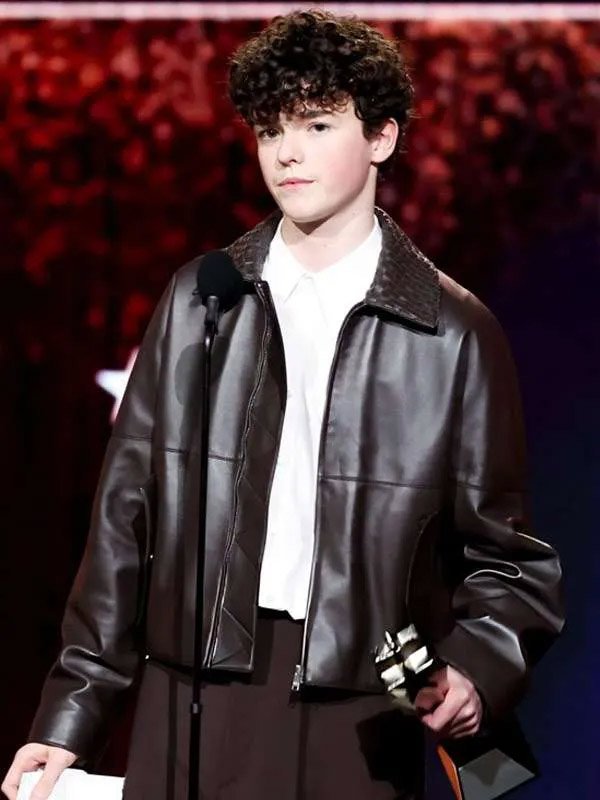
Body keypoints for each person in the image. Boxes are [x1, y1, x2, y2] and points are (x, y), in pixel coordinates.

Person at [2, 9, 563, 800]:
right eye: (270, 129)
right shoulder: (203, 300)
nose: (286, 151)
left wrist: (473, 670)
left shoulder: (452, 333)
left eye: (317, 124)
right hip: (193, 693)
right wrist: (71, 718)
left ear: (382, 137)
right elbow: (125, 522)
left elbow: (507, 561)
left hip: (361, 712)